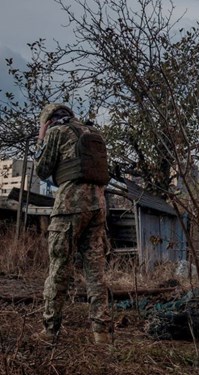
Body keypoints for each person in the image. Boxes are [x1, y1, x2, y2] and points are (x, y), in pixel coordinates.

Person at [34, 103, 112, 344]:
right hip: (98, 206)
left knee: (59, 268)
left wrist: (41, 138)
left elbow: (42, 170)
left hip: (69, 207)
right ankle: (100, 332)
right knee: (95, 270)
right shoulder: (91, 133)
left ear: (47, 120)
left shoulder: (56, 133)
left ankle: (50, 330)